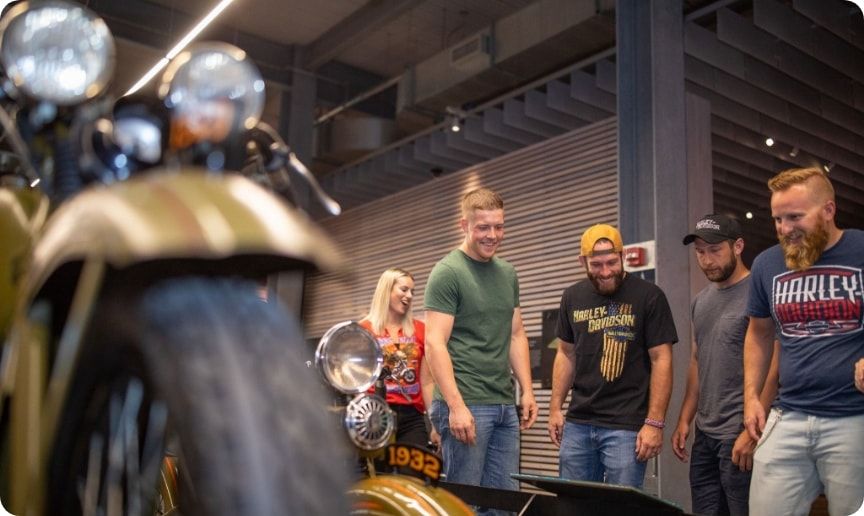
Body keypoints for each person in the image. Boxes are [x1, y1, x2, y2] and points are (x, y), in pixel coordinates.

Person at [743, 167, 864, 516]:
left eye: (795, 217)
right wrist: (751, 396)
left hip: (853, 418)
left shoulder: (860, 250)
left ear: (828, 210)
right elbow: (759, 333)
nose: (784, 229)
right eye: (778, 219)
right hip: (789, 414)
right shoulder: (767, 264)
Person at [424, 187, 538, 510]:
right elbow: (434, 344)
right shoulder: (448, 272)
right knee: (465, 506)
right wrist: (456, 406)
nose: (493, 235)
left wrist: (527, 390)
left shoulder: (508, 273)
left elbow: (516, 334)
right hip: (466, 403)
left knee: (504, 505)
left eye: (499, 226)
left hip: (503, 404)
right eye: (483, 227)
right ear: (464, 225)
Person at [548, 223, 677, 488]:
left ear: (623, 256)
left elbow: (661, 359)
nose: (605, 272)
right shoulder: (572, 296)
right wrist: (554, 409)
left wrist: (654, 423)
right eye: (596, 265)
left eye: (611, 262)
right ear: (582, 261)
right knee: (573, 506)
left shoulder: (649, 296)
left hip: (626, 426)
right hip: (578, 424)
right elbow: (565, 353)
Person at [673, 214, 779, 515]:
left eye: (715, 250)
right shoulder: (700, 301)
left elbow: (775, 364)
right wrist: (684, 418)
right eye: (699, 252)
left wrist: (754, 429)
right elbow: (697, 360)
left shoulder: (760, 293)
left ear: (738, 246)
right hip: (705, 436)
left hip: (742, 430)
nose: (706, 260)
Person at [358, 268, 438, 449]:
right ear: (387, 290)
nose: (409, 296)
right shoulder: (363, 330)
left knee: (413, 477)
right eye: (404, 289)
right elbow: (356, 381)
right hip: (374, 415)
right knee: (378, 475)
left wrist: (435, 424)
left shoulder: (420, 330)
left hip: (412, 418)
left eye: (412, 291)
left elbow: (426, 382)